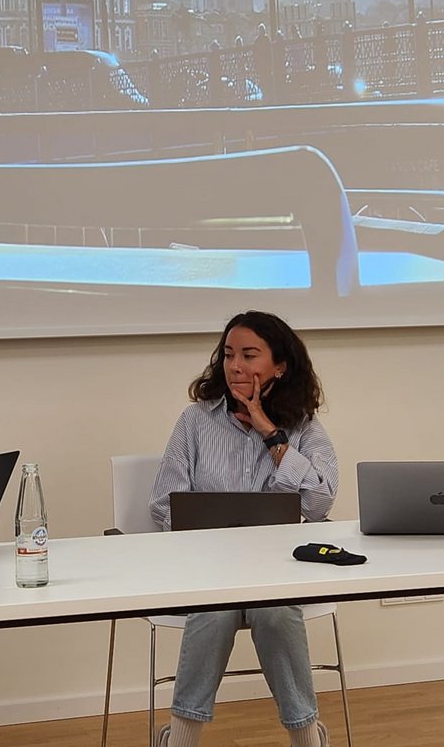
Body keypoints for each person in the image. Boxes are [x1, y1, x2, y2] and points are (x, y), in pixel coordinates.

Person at [149, 311, 338, 747]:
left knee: (274, 611)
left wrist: (270, 433)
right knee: (215, 611)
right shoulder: (195, 421)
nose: (235, 366)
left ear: (280, 366)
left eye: (249, 355)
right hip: (209, 569)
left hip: (278, 570)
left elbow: (319, 502)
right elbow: (163, 503)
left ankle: (307, 736)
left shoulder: (302, 427)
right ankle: (180, 738)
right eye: (229, 354)